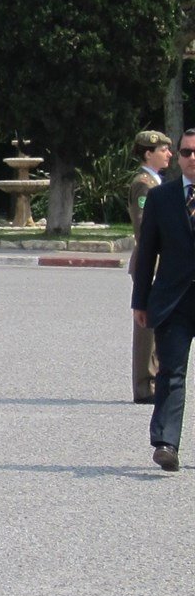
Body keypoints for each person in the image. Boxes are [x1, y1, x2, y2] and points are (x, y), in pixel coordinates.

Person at [131, 129, 195, 470]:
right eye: (185, 153)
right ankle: (166, 443)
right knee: (171, 372)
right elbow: (147, 254)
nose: (190, 158)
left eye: (194, 153)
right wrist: (140, 301)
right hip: (175, 301)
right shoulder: (161, 198)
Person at [129, 130, 172, 404]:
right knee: (146, 325)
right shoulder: (143, 184)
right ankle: (145, 385)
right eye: (163, 150)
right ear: (148, 153)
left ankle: (154, 379)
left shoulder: (156, 182)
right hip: (151, 261)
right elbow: (144, 227)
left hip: (159, 260)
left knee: (157, 323)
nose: (169, 154)